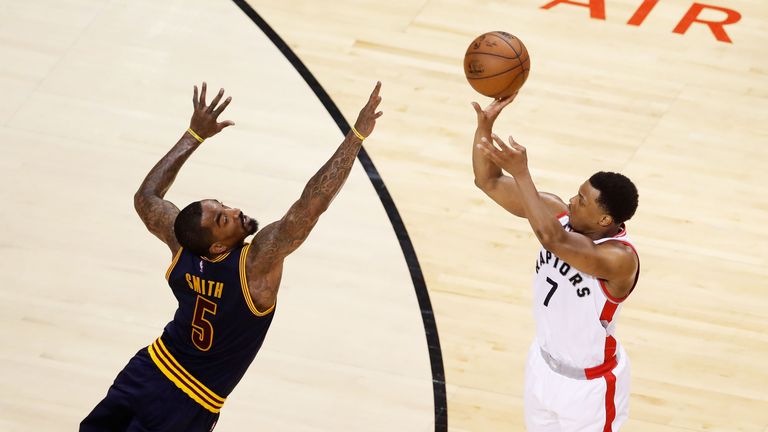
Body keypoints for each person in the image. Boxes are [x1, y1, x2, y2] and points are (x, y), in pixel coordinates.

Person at [81, 81, 383, 431]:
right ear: (218, 247)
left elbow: (146, 198)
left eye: (223, 205)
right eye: (223, 218)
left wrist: (194, 134)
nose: (236, 211)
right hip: (189, 402)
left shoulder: (183, 246)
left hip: (146, 372)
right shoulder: (255, 266)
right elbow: (311, 206)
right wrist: (355, 137)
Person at [471, 95, 640, 432]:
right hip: (542, 367)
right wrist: (485, 128)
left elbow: (554, 241)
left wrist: (522, 172)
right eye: (577, 193)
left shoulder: (619, 259)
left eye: (583, 201)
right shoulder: (556, 212)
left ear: (605, 218)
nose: (573, 201)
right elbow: (487, 181)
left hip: (589, 389)